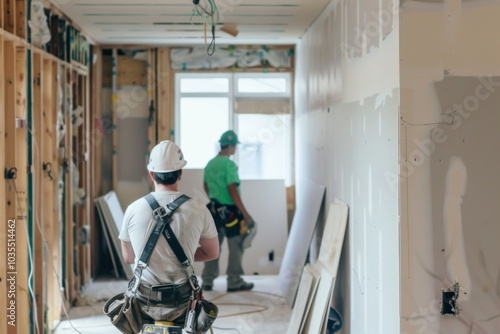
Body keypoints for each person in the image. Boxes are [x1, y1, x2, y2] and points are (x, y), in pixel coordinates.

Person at [119, 140, 219, 324]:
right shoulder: (199, 209)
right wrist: (182, 254)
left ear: (151, 174)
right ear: (180, 173)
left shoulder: (133, 209)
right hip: (182, 299)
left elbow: (128, 257)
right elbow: (212, 252)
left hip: (143, 299)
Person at [201, 130, 255, 292]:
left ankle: (208, 281)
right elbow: (232, 188)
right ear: (231, 146)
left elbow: (205, 185)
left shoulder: (210, 164)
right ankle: (234, 281)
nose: (235, 149)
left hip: (214, 211)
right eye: (235, 146)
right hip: (230, 212)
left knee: (213, 247)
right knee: (236, 247)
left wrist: (214, 198)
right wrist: (245, 214)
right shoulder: (229, 165)